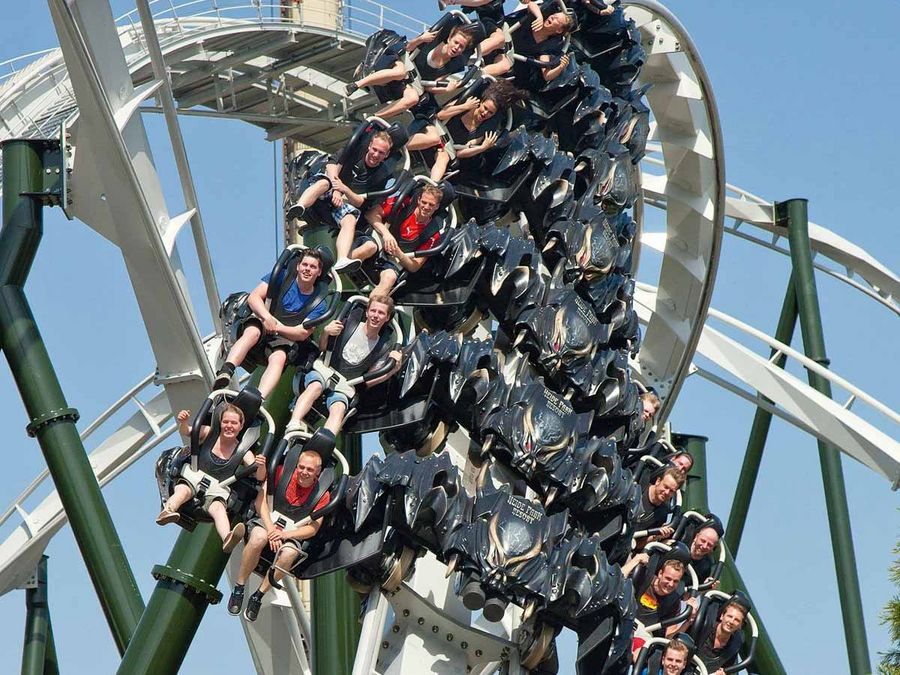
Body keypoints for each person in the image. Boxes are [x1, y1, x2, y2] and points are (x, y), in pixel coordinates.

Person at [228, 449, 331, 621]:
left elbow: (313, 528)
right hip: (268, 521)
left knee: (290, 553)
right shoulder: (282, 472)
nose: (304, 472)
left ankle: (258, 596)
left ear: (318, 472)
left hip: (291, 533)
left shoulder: (322, 495)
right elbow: (260, 501)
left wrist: (284, 535)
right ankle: (239, 586)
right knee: (258, 538)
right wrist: (271, 531)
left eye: (310, 470)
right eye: (301, 467)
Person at [285, 293, 403, 434]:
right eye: (373, 310)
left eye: (381, 313)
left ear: (387, 318)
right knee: (315, 386)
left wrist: (392, 370)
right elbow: (323, 348)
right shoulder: (348, 324)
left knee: (339, 409)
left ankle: (325, 442)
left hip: (346, 384)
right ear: (367, 312)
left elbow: (370, 380)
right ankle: (293, 422)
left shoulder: (383, 347)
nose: (376, 316)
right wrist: (326, 333)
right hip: (325, 369)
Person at [215, 249, 327, 397]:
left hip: (283, 336)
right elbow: (254, 297)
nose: (307, 269)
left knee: (280, 357)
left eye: (313, 267)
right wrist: (267, 318)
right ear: (298, 266)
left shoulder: (319, 303)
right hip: (263, 319)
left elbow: (302, 333)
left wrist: (276, 327)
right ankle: (227, 370)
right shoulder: (281, 276)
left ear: (319, 272)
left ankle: (258, 398)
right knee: (252, 332)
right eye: (305, 265)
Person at [156, 404, 266, 552]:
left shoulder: (243, 451)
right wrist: (183, 422)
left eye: (234, 423)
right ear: (220, 423)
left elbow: (259, 476)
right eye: (225, 422)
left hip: (216, 489)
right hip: (193, 476)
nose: (229, 426)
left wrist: (261, 465)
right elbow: (187, 431)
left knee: (219, 509)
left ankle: (227, 537)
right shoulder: (209, 433)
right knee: (183, 491)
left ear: (240, 427)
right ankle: (168, 511)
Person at [285, 131, 395, 273]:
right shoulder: (355, 150)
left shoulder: (382, 174)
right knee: (324, 183)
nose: (375, 155)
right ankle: (300, 205)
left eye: (381, 153)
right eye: (374, 149)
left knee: (350, 220)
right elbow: (331, 165)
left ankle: (342, 259)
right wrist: (337, 188)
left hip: (344, 201)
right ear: (369, 146)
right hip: (329, 188)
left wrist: (345, 190)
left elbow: (362, 202)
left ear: (386, 155)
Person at [348, 24, 481, 119]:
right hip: (397, 61)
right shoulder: (433, 40)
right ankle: (357, 84)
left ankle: (374, 117)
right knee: (400, 72)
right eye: (456, 42)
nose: (456, 47)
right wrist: (421, 39)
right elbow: (407, 48)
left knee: (413, 98)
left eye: (461, 47)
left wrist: (446, 89)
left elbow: (432, 86)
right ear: (449, 39)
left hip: (409, 82)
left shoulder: (452, 65)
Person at [406, 79, 523, 180]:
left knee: (444, 158)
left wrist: (482, 147)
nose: (485, 113)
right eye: (485, 108)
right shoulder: (467, 103)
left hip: (446, 148)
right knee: (433, 138)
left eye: (490, 113)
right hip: (435, 130)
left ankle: (431, 185)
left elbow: (461, 152)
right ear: (481, 103)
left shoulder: (483, 130)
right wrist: (464, 107)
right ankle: (398, 145)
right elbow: (441, 115)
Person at [350, 185, 445, 296]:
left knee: (390, 278)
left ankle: (372, 306)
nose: (426, 207)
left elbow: (415, 266)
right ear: (418, 200)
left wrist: (399, 253)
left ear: (437, 206)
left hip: (395, 258)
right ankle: (338, 268)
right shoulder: (403, 204)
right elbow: (370, 214)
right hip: (379, 240)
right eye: (424, 202)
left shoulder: (432, 234)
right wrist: (386, 234)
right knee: (370, 247)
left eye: (431, 205)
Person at [483, 9, 575, 82]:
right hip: (498, 31)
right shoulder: (537, 16)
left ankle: (476, 75)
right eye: (553, 16)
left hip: (504, 52)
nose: (552, 18)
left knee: (505, 66)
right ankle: (475, 53)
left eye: (556, 20)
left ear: (558, 30)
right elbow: (531, 4)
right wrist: (538, 16)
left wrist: (560, 67)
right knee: (500, 39)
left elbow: (547, 76)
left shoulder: (545, 46)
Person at [625, 556, 693, 638]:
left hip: (642, 634)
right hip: (625, 620)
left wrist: (688, 621)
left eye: (675, 581)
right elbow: (617, 581)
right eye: (668, 578)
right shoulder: (643, 578)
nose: (670, 584)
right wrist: (635, 560)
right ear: (660, 574)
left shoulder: (673, 602)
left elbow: (669, 637)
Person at [696, 600, 747, 674]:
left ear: (740, 626)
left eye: (737, 620)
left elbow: (726, 669)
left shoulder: (733, 648)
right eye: (730, 616)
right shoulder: (704, 627)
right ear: (722, 616)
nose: (731, 622)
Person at [634, 466, 685, 537]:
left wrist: (657, 535)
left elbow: (638, 544)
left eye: (671, 491)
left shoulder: (662, 513)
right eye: (666, 487)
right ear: (658, 481)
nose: (667, 492)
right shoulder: (639, 486)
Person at [687, 524, 720, 589]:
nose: (704, 546)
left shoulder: (705, 567)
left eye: (709, 545)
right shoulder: (682, 541)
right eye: (703, 541)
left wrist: (705, 586)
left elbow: (690, 594)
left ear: (713, 548)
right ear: (696, 537)